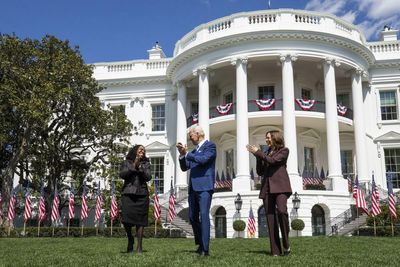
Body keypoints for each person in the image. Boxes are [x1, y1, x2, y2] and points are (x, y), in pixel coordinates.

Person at [246, 130, 292, 257]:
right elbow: (260, 172)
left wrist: (258, 153)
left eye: (268, 138)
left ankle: (286, 244)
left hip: (281, 187)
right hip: (267, 188)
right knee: (270, 219)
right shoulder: (265, 153)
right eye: (266, 138)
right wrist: (257, 156)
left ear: (275, 138)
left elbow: (272, 161)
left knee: (282, 212)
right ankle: (275, 251)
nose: (266, 140)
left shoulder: (284, 151)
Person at [176, 125, 216, 257]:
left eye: (191, 135)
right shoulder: (193, 152)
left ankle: (205, 249)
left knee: (204, 215)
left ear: (198, 134)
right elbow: (184, 167)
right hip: (193, 188)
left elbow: (204, 160)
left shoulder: (210, 146)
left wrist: (187, 154)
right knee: (193, 217)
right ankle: (200, 243)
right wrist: (182, 156)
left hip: (205, 187)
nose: (190, 138)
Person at [119, 144, 152, 254]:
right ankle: (130, 239)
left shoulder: (146, 164)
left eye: (144, 150)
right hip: (128, 193)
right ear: (135, 151)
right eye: (140, 149)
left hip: (142, 194)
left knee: (140, 221)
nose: (142, 151)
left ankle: (139, 247)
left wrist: (140, 167)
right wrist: (134, 165)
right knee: (126, 220)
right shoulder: (126, 162)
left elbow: (148, 177)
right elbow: (123, 175)